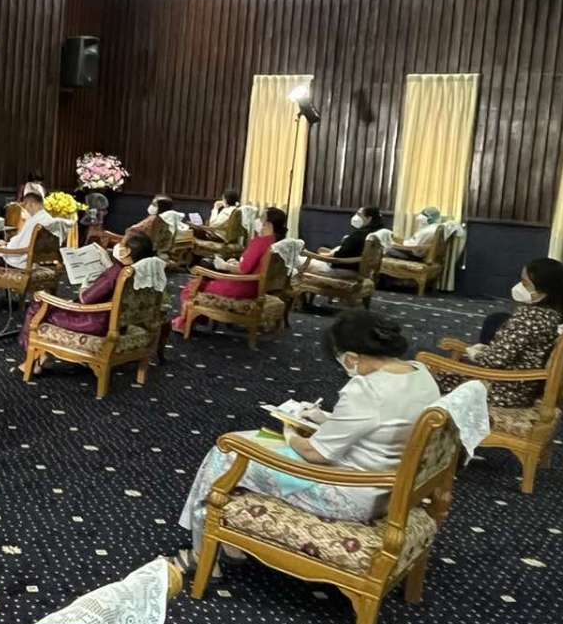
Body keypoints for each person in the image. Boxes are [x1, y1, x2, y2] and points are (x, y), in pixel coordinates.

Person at [173, 309, 440, 576]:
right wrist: (324, 418)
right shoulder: (420, 373)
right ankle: (231, 542)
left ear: (351, 357)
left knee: (227, 450)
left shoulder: (366, 390)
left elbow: (315, 454)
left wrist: (291, 433)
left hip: (351, 493)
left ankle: (202, 556)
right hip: (391, 489)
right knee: (251, 442)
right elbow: (384, 424)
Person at [433, 257, 563, 407]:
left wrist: (475, 353)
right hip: (520, 388)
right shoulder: (552, 315)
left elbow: (495, 361)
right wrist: (485, 350)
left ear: (542, 292)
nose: (519, 286)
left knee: (427, 371)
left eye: (525, 283)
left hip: (501, 389)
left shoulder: (529, 318)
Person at [19, 232, 155, 370]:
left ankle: (32, 361)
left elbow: (86, 299)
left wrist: (84, 287)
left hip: (94, 323)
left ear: (127, 252)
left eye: (121, 243)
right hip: (119, 324)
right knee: (53, 306)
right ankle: (42, 356)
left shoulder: (116, 272)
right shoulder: (143, 272)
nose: (118, 245)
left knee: (39, 305)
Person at [174, 206, 285, 329]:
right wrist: (234, 264)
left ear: (268, 224)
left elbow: (243, 270)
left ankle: (184, 324)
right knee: (205, 281)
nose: (258, 220)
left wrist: (224, 265)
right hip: (254, 288)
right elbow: (253, 267)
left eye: (261, 218)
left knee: (194, 285)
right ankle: (198, 318)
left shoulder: (260, 242)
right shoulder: (275, 242)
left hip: (242, 287)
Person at [0, 189, 54, 268]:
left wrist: (0, 247)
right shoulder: (48, 219)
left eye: (25, 205)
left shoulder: (34, 222)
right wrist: (7, 244)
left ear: (31, 204)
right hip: (34, 261)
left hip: (18, 262)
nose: (25, 209)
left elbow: (21, 248)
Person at [306, 205, 385, 274]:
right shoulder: (378, 232)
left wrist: (318, 256)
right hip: (358, 267)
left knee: (301, 262)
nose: (356, 217)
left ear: (369, 218)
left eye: (359, 214)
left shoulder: (360, 234)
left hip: (343, 268)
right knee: (321, 249)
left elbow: (340, 256)